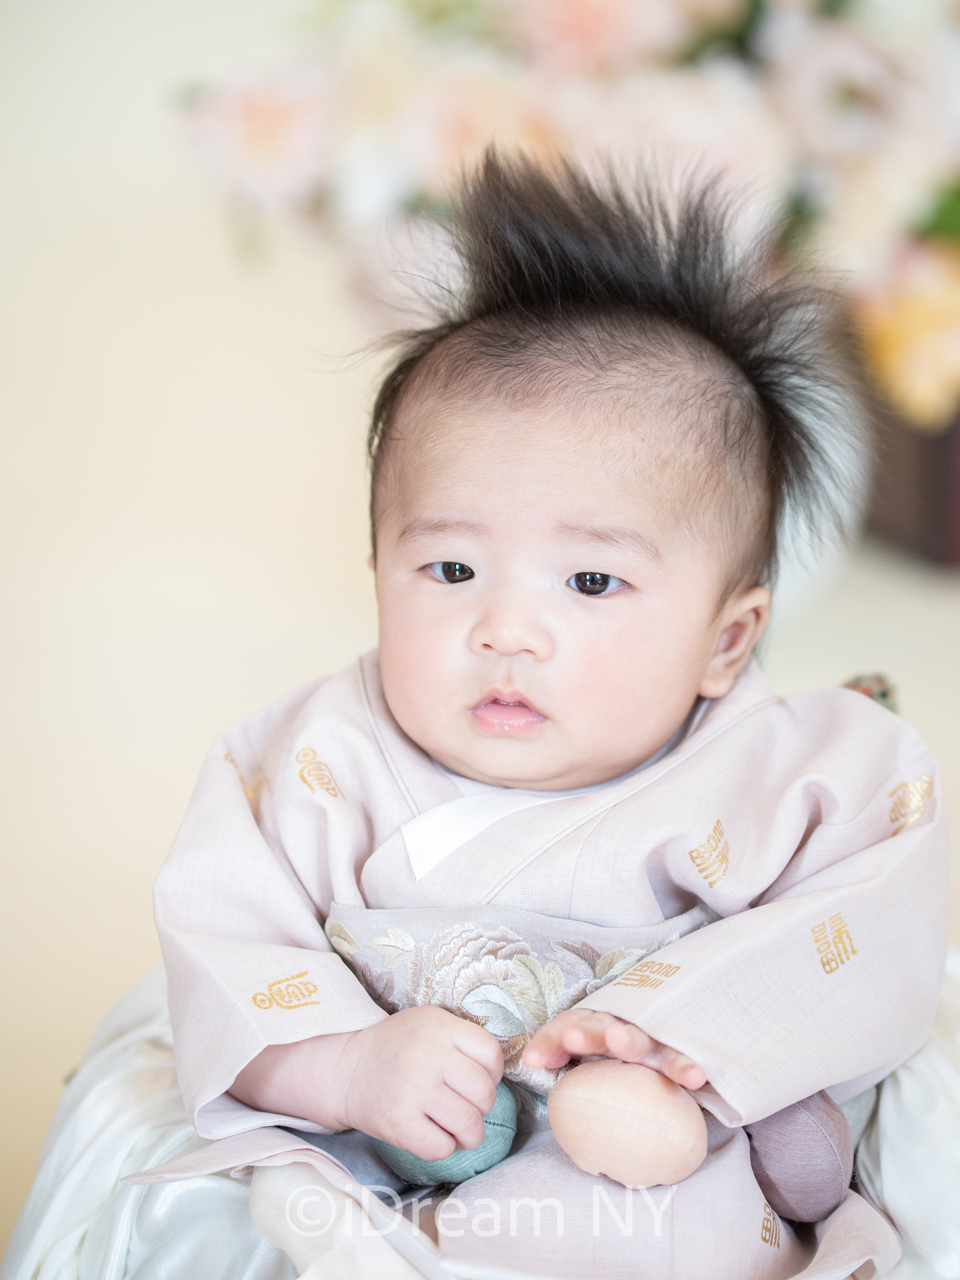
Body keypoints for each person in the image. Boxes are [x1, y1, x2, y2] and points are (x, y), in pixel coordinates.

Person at [128, 155, 949, 1277]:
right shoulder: (311, 761)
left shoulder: (791, 769)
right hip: (403, 1182)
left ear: (728, 640)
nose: (506, 630)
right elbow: (224, 951)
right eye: (452, 568)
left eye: (592, 582)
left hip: (682, 1181)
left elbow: (877, 916)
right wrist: (344, 1065)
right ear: (377, 568)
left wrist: (682, 1033)